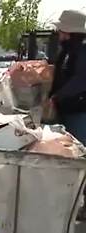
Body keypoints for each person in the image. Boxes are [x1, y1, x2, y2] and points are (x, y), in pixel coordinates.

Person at [49, 10, 86, 144]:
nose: (58, 32)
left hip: (79, 112)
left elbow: (81, 80)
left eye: (60, 29)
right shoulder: (67, 50)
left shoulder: (82, 51)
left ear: (68, 31)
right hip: (66, 108)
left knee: (80, 151)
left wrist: (57, 95)